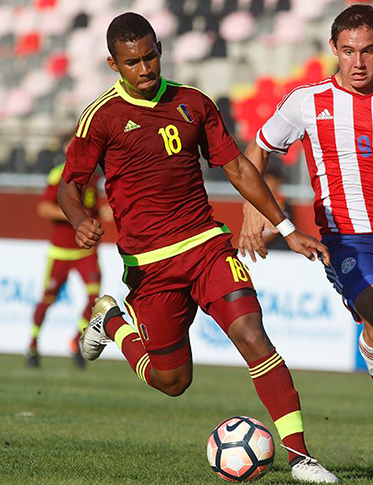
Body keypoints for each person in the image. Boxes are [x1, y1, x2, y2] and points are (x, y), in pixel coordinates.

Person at [57, 13, 337, 483]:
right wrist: (81, 219)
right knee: (172, 381)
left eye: (150, 57)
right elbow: (70, 185)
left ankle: (301, 456)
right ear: (113, 64)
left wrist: (286, 228)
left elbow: (239, 169)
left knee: (253, 335)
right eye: (132, 63)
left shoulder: (194, 103)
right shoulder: (101, 117)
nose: (144, 69)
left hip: (206, 246)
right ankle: (113, 322)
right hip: (149, 266)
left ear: (160, 49)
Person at [239, 4, 373, 476]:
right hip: (349, 238)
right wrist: (252, 208)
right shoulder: (307, 101)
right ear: (334, 49)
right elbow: (258, 149)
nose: (358, 62)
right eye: (349, 51)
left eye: (369, 51)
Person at [26, 150, 108, 369]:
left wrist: (104, 211)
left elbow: (96, 206)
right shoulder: (59, 174)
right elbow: (44, 208)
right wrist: (77, 216)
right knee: (48, 299)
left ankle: (75, 342)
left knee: (95, 300)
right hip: (61, 251)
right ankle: (32, 345)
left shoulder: (95, 176)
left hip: (85, 250)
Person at [260, 165, 292, 251]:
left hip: (279, 249)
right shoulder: (260, 203)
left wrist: (261, 240)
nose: (269, 184)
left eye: (271, 180)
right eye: (267, 180)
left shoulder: (282, 204)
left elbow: (280, 226)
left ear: (278, 182)